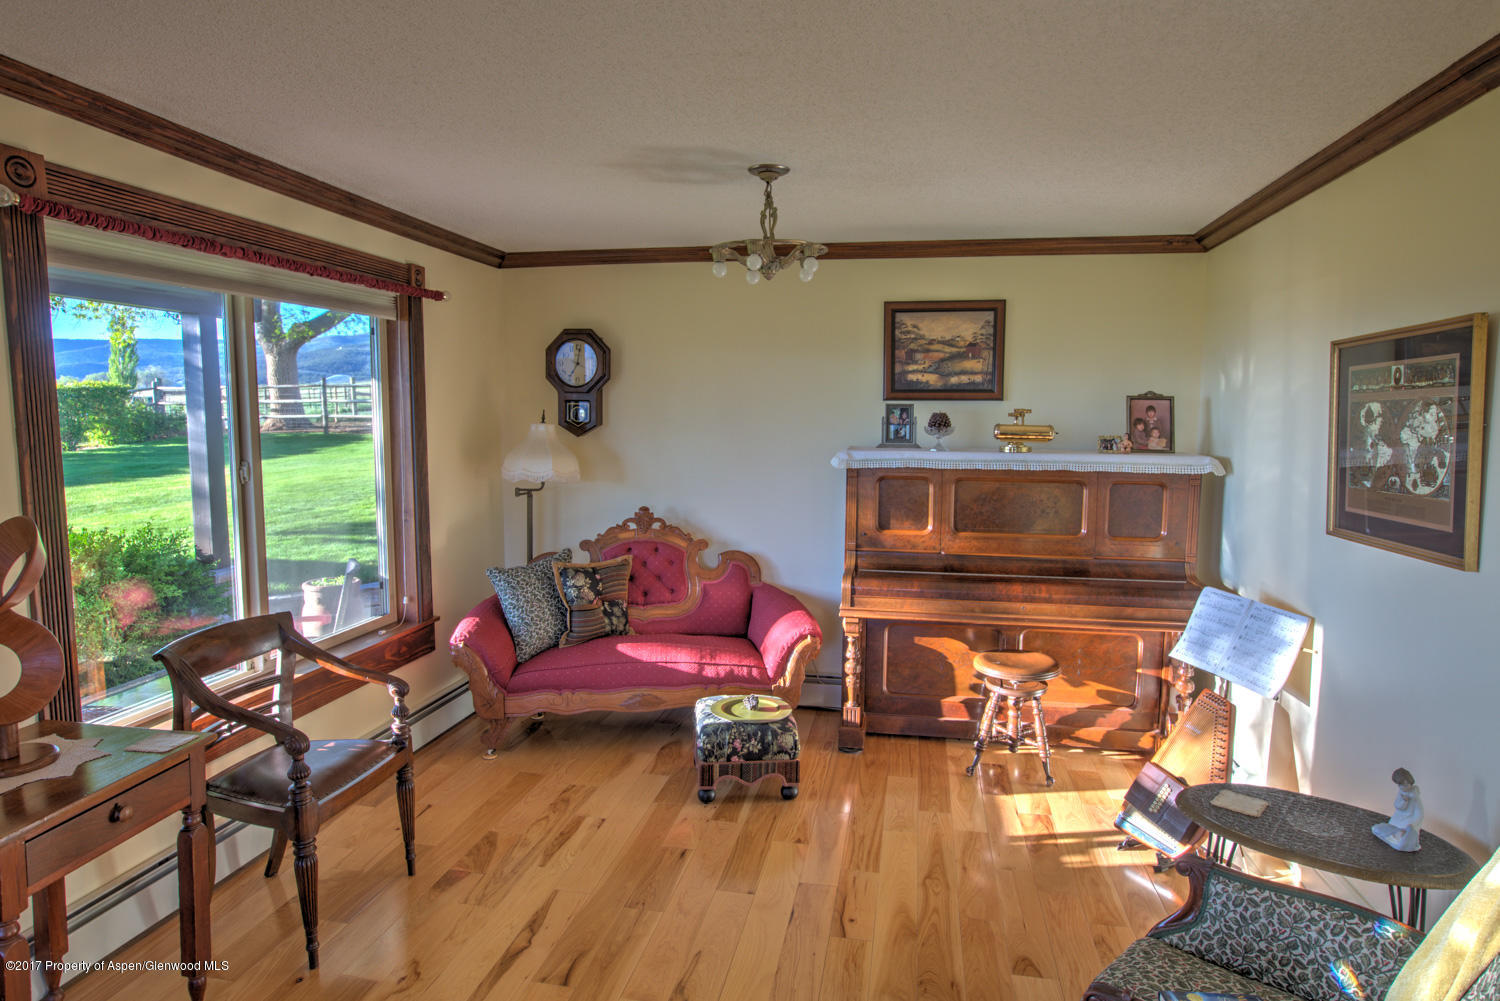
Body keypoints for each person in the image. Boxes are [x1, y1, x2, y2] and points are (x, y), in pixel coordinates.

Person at [1371, 767, 1423, 851]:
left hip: (1409, 820)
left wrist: (1413, 824)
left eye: (1406, 784)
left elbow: (1419, 812)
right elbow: (1397, 805)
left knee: (1405, 833)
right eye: (1401, 785)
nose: (1403, 787)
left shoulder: (1415, 796)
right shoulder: (1401, 793)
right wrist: (1404, 801)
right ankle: (1394, 837)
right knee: (1393, 829)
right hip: (1399, 817)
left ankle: (1403, 839)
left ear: (1410, 783)